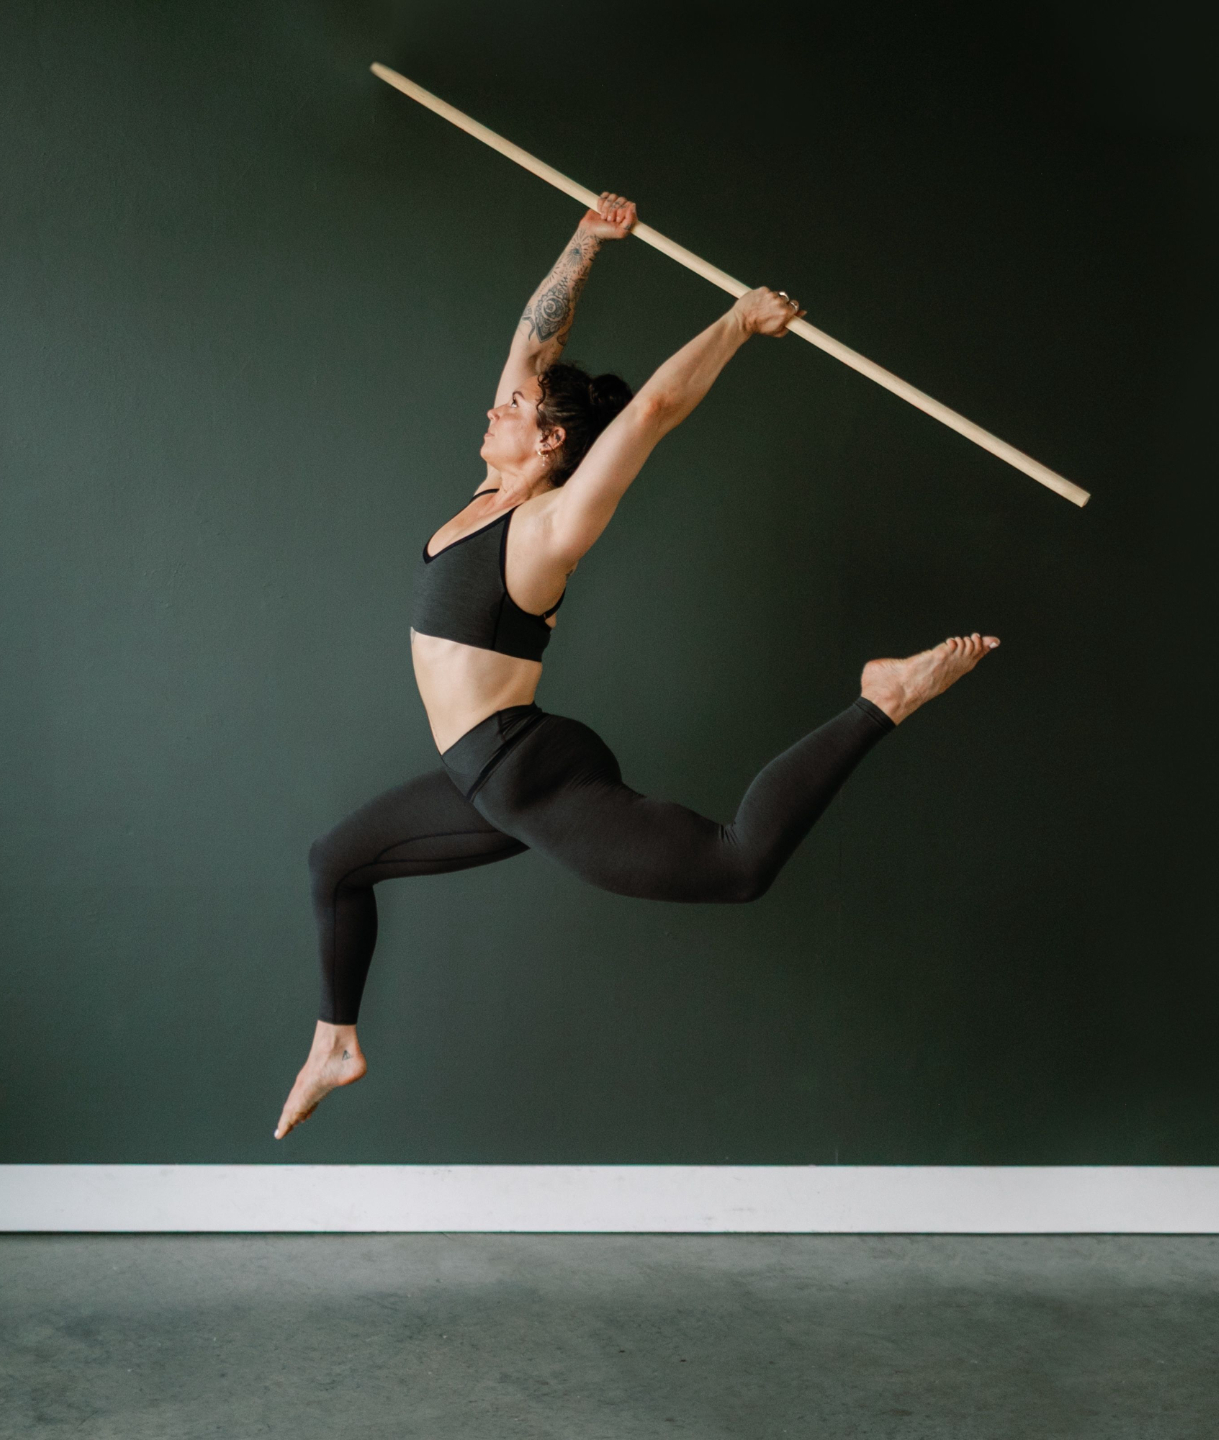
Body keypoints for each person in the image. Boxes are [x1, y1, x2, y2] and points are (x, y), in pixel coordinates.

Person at [275, 193, 997, 1138]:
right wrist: (585, 242)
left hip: (519, 774)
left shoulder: (545, 528)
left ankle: (880, 699)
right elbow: (532, 343)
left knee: (738, 866)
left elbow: (653, 411)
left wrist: (738, 321)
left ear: (552, 443)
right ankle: (336, 1040)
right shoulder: (493, 489)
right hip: (485, 781)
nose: (500, 401)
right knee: (337, 861)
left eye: (519, 409)